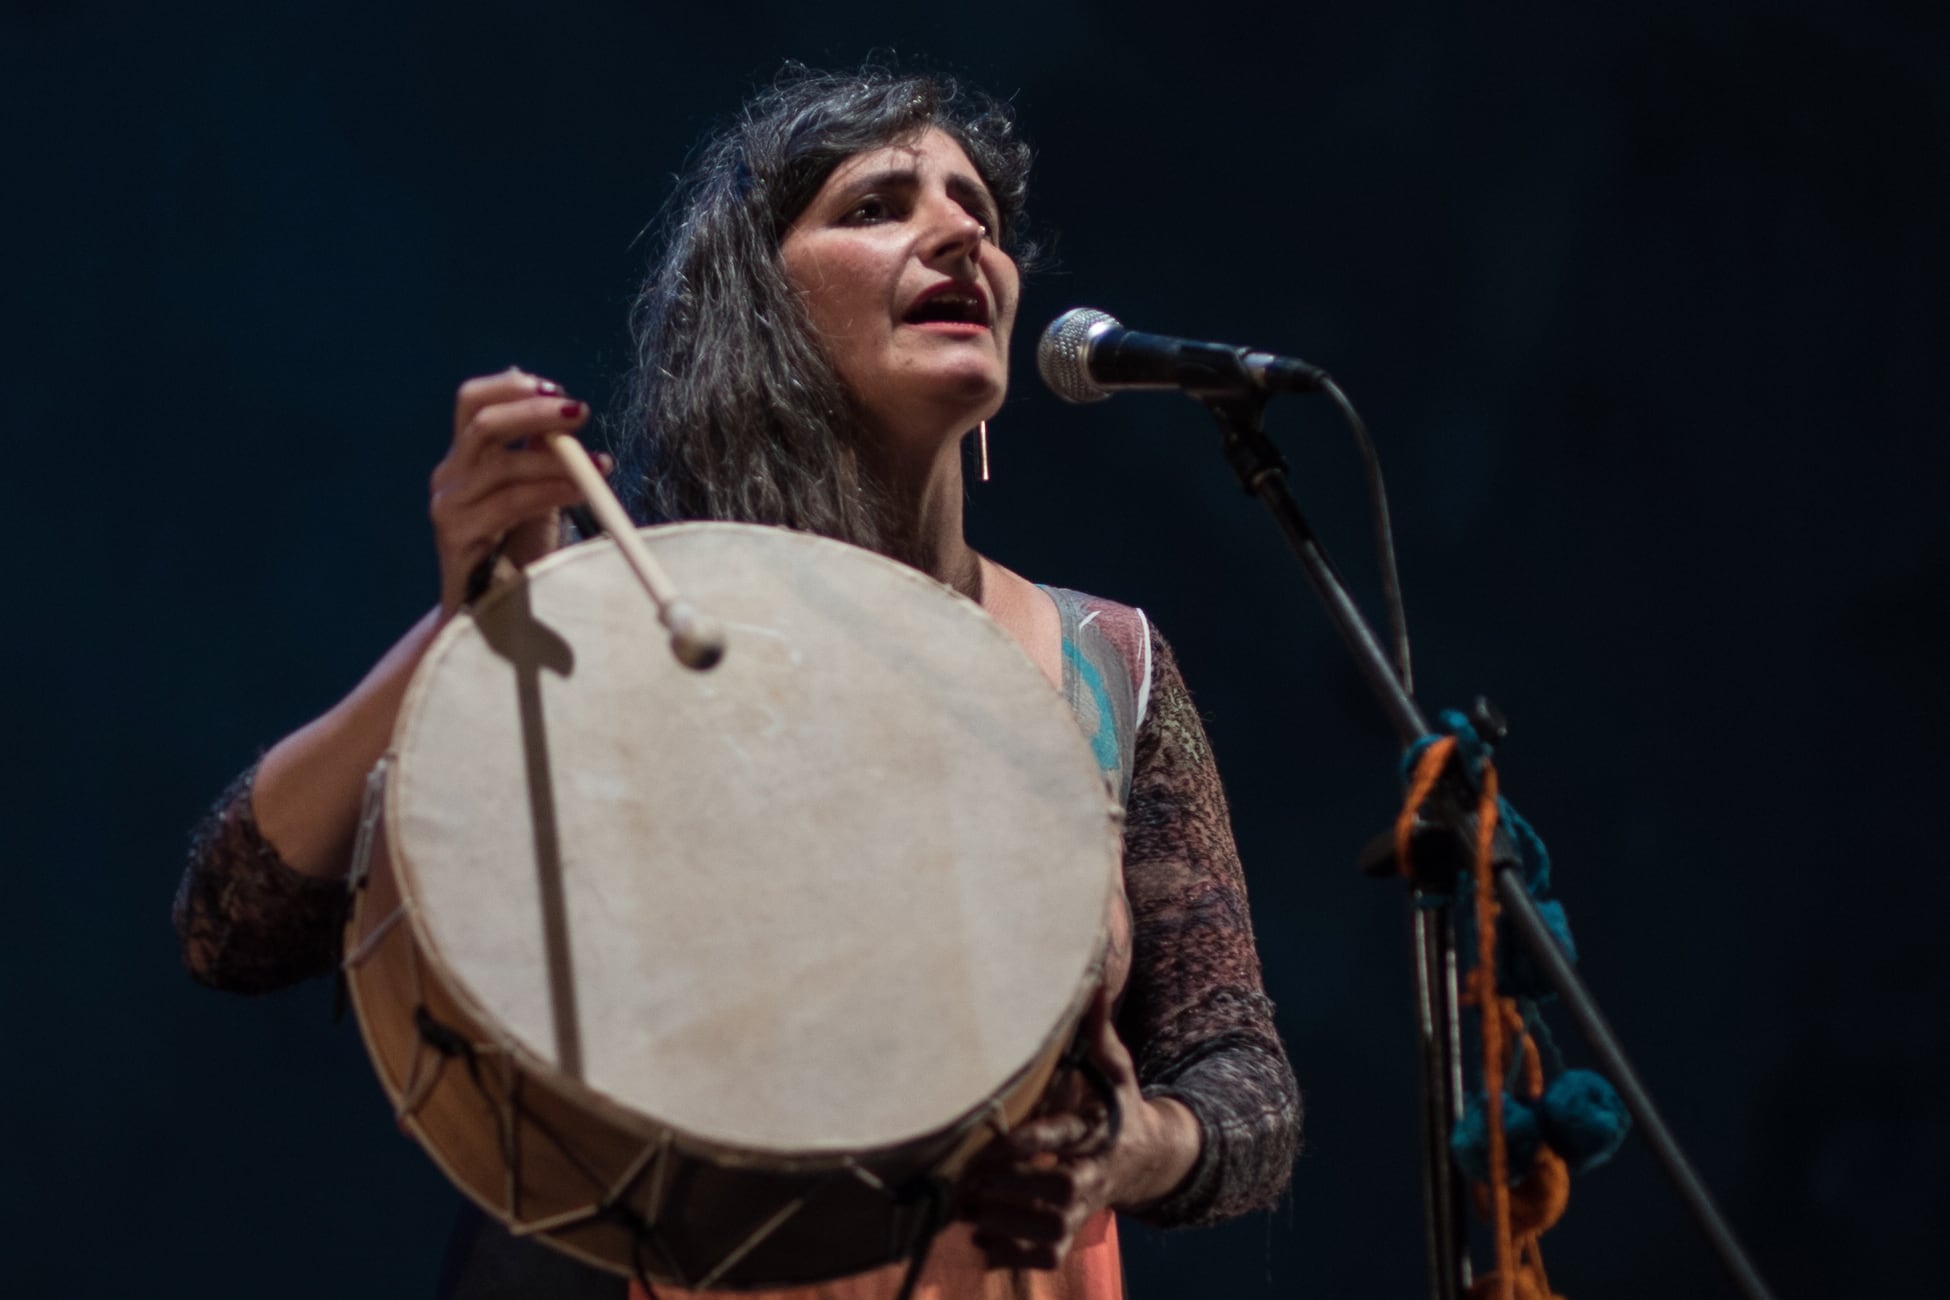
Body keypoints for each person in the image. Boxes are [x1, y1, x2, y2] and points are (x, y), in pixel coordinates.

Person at [175, 66, 1299, 1300]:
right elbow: (234, 921)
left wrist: (1136, 1150)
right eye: (879, 203)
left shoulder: (1105, 661)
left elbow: (1240, 1076)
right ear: (761, 307)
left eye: (976, 204)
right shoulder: (624, 613)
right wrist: (463, 631)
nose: (963, 230)